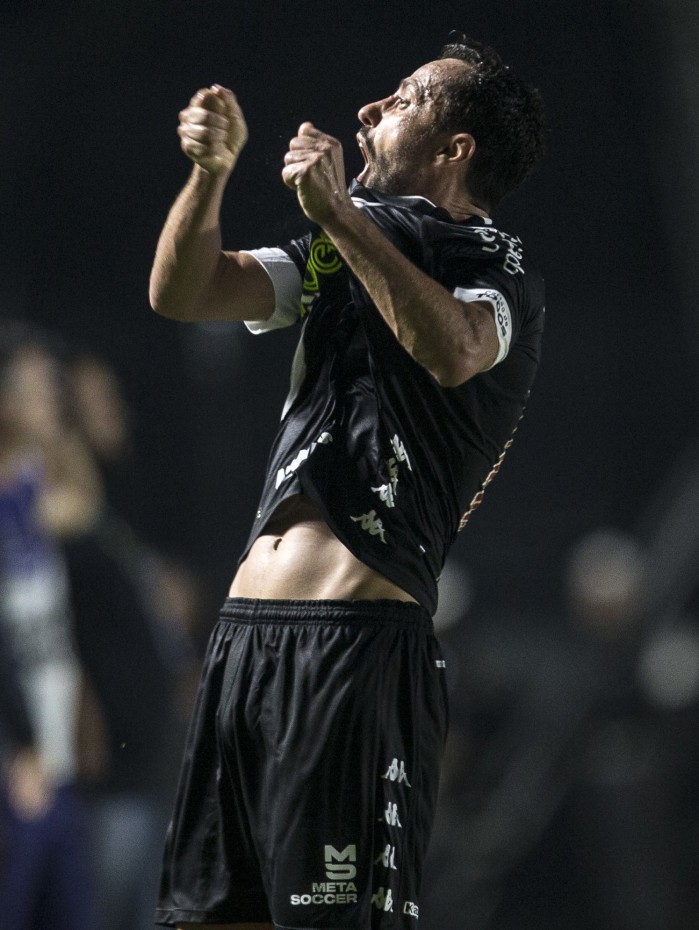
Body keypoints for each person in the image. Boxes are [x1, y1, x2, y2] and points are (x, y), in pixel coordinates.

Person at [150, 34, 546, 930]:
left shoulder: (492, 264)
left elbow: (452, 351)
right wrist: (209, 176)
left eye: (405, 98)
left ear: (455, 151)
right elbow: (186, 292)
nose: (370, 109)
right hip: (244, 646)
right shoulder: (341, 247)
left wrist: (337, 214)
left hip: (354, 648)